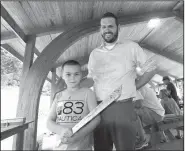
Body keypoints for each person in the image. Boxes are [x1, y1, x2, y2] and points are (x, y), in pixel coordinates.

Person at [85, 12, 158, 150]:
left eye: (110, 26)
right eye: (104, 27)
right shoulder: (94, 54)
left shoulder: (131, 47)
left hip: (123, 107)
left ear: (118, 28)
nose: (107, 29)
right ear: (100, 30)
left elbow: (152, 68)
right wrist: (69, 87)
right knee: (101, 148)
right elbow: (91, 80)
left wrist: (135, 86)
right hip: (99, 109)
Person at [46, 60, 100, 150]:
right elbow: (49, 122)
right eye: (68, 74)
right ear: (62, 76)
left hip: (82, 146)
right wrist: (61, 130)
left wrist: (78, 136)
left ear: (81, 75)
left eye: (76, 74)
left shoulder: (88, 93)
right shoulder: (59, 95)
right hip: (61, 146)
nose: (72, 78)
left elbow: (97, 119)